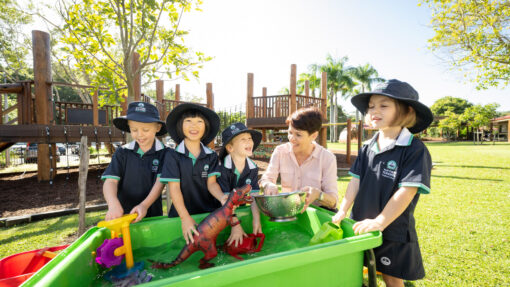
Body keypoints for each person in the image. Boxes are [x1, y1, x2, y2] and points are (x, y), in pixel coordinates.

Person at [332, 79, 433, 287]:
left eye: (383, 105)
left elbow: (407, 191)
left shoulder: (414, 149)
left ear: (406, 111)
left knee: (391, 277)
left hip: (392, 228)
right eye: (370, 106)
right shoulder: (367, 147)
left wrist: (380, 222)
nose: (374, 110)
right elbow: (355, 182)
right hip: (359, 223)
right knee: (358, 267)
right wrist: (343, 210)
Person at [159, 103, 226, 244]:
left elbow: (212, 184)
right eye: (188, 121)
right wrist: (185, 218)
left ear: (206, 127)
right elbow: (174, 188)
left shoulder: (211, 156)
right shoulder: (172, 155)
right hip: (181, 215)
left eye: (199, 122)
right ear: (180, 126)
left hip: (208, 214)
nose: (193, 126)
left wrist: (222, 197)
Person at [259, 107, 338, 212]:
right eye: (290, 132)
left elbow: (333, 201)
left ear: (314, 135)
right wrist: (269, 185)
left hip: (316, 213)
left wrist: (318, 195)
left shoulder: (327, 158)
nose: (291, 138)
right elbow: (265, 179)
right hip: (288, 211)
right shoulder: (280, 152)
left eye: (298, 134)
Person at [102, 101, 168, 223]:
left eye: (145, 129)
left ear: (157, 128)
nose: (140, 135)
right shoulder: (122, 152)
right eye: (134, 130)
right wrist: (113, 204)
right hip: (123, 215)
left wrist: (144, 205)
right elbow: (110, 180)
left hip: (152, 215)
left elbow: (160, 183)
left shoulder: (166, 153)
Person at [217, 122, 263, 247]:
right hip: (219, 211)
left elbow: (254, 196)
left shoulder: (253, 168)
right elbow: (226, 202)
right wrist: (235, 225)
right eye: (243, 139)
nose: (249, 142)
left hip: (239, 209)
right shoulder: (222, 168)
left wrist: (256, 220)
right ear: (230, 148)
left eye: (249, 138)